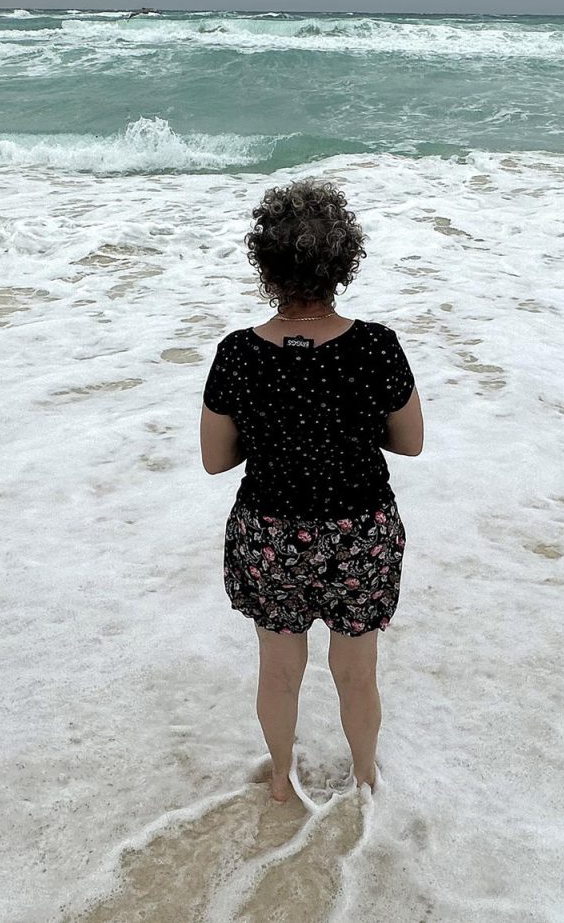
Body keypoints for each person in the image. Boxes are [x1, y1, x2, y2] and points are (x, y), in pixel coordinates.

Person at [200, 179, 423, 800]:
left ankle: (279, 778)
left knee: (279, 672)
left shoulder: (238, 353)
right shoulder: (376, 346)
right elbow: (410, 442)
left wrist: (275, 437)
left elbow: (216, 460)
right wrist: (344, 429)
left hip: (271, 532)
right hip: (360, 534)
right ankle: (364, 777)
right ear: (344, 263)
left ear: (265, 265)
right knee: (357, 673)